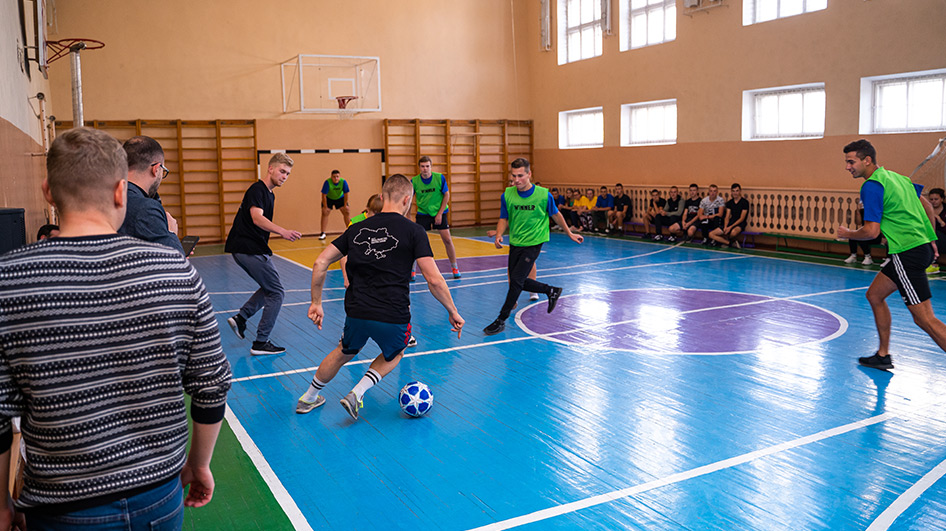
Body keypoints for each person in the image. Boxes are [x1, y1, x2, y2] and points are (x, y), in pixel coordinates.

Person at [0, 127, 232, 529]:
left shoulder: (10, 279)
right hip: (159, 495)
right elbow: (211, 385)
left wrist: (2, 500)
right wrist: (199, 464)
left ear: (48, 192)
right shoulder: (175, 269)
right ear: (122, 191)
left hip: (60, 505)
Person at [296, 174, 464, 419]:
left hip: (357, 310)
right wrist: (452, 310)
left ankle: (308, 398)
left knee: (344, 350)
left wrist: (316, 302)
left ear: (383, 196)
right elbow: (434, 279)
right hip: (392, 312)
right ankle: (357, 392)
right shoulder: (414, 231)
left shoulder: (356, 228)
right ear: (407, 200)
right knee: (396, 351)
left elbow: (320, 262)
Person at [838, 139, 946, 370]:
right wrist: (931, 236)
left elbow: (871, 231)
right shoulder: (897, 177)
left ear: (867, 160)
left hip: (907, 253)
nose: (847, 166)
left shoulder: (872, 186)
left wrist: (847, 233)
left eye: (851, 161)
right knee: (874, 296)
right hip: (914, 250)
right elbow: (926, 205)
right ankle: (883, 354)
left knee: (925, 319)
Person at [483, 158, 584, 336]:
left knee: (515, 281)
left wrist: (569, 233)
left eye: (520, 175)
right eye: (513, 176)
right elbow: (503, 218)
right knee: (517, 280)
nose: (516, 180)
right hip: (516, 242)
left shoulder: (544, 195)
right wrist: (499, 234)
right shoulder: (507, 194)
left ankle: (500, 320)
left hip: (534, 243)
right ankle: (551, 290)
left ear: (529, 174)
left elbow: (556, 215)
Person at [224, 153, 303, 356]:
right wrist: (283, 231)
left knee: (270, 288)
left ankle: (241, 318)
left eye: (288, 173)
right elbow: (257, 218)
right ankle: (261, 342)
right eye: (282, 171)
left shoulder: (269, 194)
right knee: (276, 292)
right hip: (248, 249)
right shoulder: (257, 189)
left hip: (249, 249)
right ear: (270, 169)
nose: (285, 176)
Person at [117, 135, 185, 254]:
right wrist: (171, 234)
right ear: (156, 168)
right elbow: (176, 264)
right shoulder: (145, 209)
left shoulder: (111, 196)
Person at [412, 156, 461, 279]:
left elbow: (446, 195)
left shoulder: (439, 178)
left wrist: (439, 214)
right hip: (423, 213)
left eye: (427, 166)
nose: (425, 169)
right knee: (416, 242)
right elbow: (408, 198)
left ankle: (454, 267)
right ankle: (412, 270)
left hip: (439, 212)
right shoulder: (414, 181)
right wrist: (407, 216)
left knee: (447, 240)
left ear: (431, 167)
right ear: (419, 167)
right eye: (422, 166)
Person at [842, 199, 885, 266]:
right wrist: (858, 211)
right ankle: (853, 256)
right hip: (866, 233)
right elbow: (858, 222)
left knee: (863, 238)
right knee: (852, 236)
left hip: (875, 234)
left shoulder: (876, 211)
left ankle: (868, 257)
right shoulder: (863, 211)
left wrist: (883, 236)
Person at [709, 183, 750, 248]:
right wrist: (725, 227)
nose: (735, 193)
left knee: (733, 233)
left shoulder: (745, 202)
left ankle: (726, 240)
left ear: (740, 191)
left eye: (737, 191)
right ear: (731, 192)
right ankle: (729, 243)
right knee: (711, 234)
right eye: (733, 191)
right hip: (731, 222)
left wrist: (730, 227)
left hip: (740, 224)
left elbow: (742, 218)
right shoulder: (730, 203)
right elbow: (727, 216)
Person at [319, 169, 350, 240]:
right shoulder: (327, 182)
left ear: (339, 177)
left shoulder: (343, 182)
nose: (336, 178)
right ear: (331, 177)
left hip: (340, 198)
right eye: (334, 177)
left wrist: (345, 205)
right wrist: (325, 206)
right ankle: (322, 233)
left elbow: (346, 194)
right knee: (325, 212)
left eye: (337, 176)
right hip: (329, 198)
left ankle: (349, 230)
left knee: (347, 211)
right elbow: (323, 195)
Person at [927, 187, 946, 273]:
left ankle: (932, 262)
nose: (933, 201)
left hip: (943, 240)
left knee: (935, 234)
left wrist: (941, 221)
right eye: (931, 199)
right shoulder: (926, 209)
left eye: (936, 199)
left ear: (942, 199)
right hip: (928, 238)